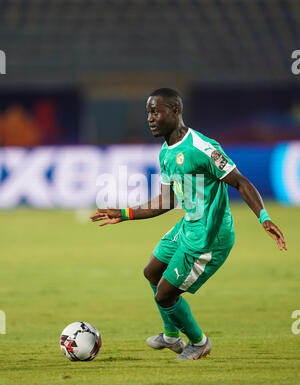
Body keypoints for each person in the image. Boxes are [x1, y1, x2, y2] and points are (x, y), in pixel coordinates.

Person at [90, 88, 287, 360]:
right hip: (189, 225)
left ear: (175, 111)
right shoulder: (166, 153)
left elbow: (240, 181)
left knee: (164, 296)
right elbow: (167, 200)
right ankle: (171, 336)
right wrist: (123, 214)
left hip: (209, 236)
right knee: (152, 272)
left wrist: (264, 218)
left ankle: (199, 342)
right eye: (148, 112)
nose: (150, 118)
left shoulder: (203, 148)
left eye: (155, 111)